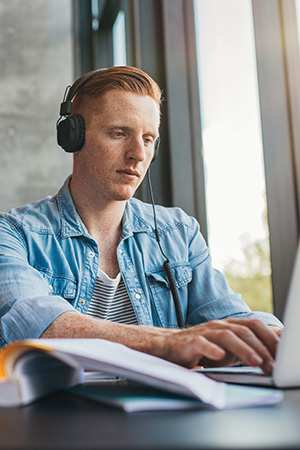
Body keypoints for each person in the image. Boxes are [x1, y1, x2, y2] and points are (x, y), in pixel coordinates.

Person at [0, 66, 282, 373]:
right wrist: (169, 343)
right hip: (54, 417)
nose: (138, 153)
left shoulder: (179, 232)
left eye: (148, 139)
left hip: (162, 418)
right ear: (73, 138)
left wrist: (279, 339)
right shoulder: (13, 233)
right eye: (119, 133)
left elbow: (232, 320)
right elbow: (36, 326)